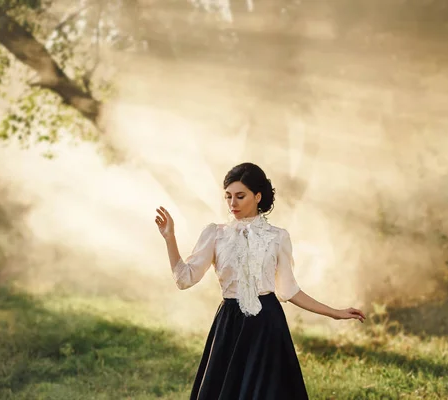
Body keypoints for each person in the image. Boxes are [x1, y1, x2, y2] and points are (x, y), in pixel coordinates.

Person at [155, 162, 366, 400]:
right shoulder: (216, 234)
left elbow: (289, 290)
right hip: (230, 325)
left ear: (257, 196)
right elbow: (184, 279)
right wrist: (169, 238)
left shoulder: (278, 237)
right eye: (228, 196)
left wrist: (334, 313)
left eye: (240, 196)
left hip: (267, 326)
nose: (232, 203)